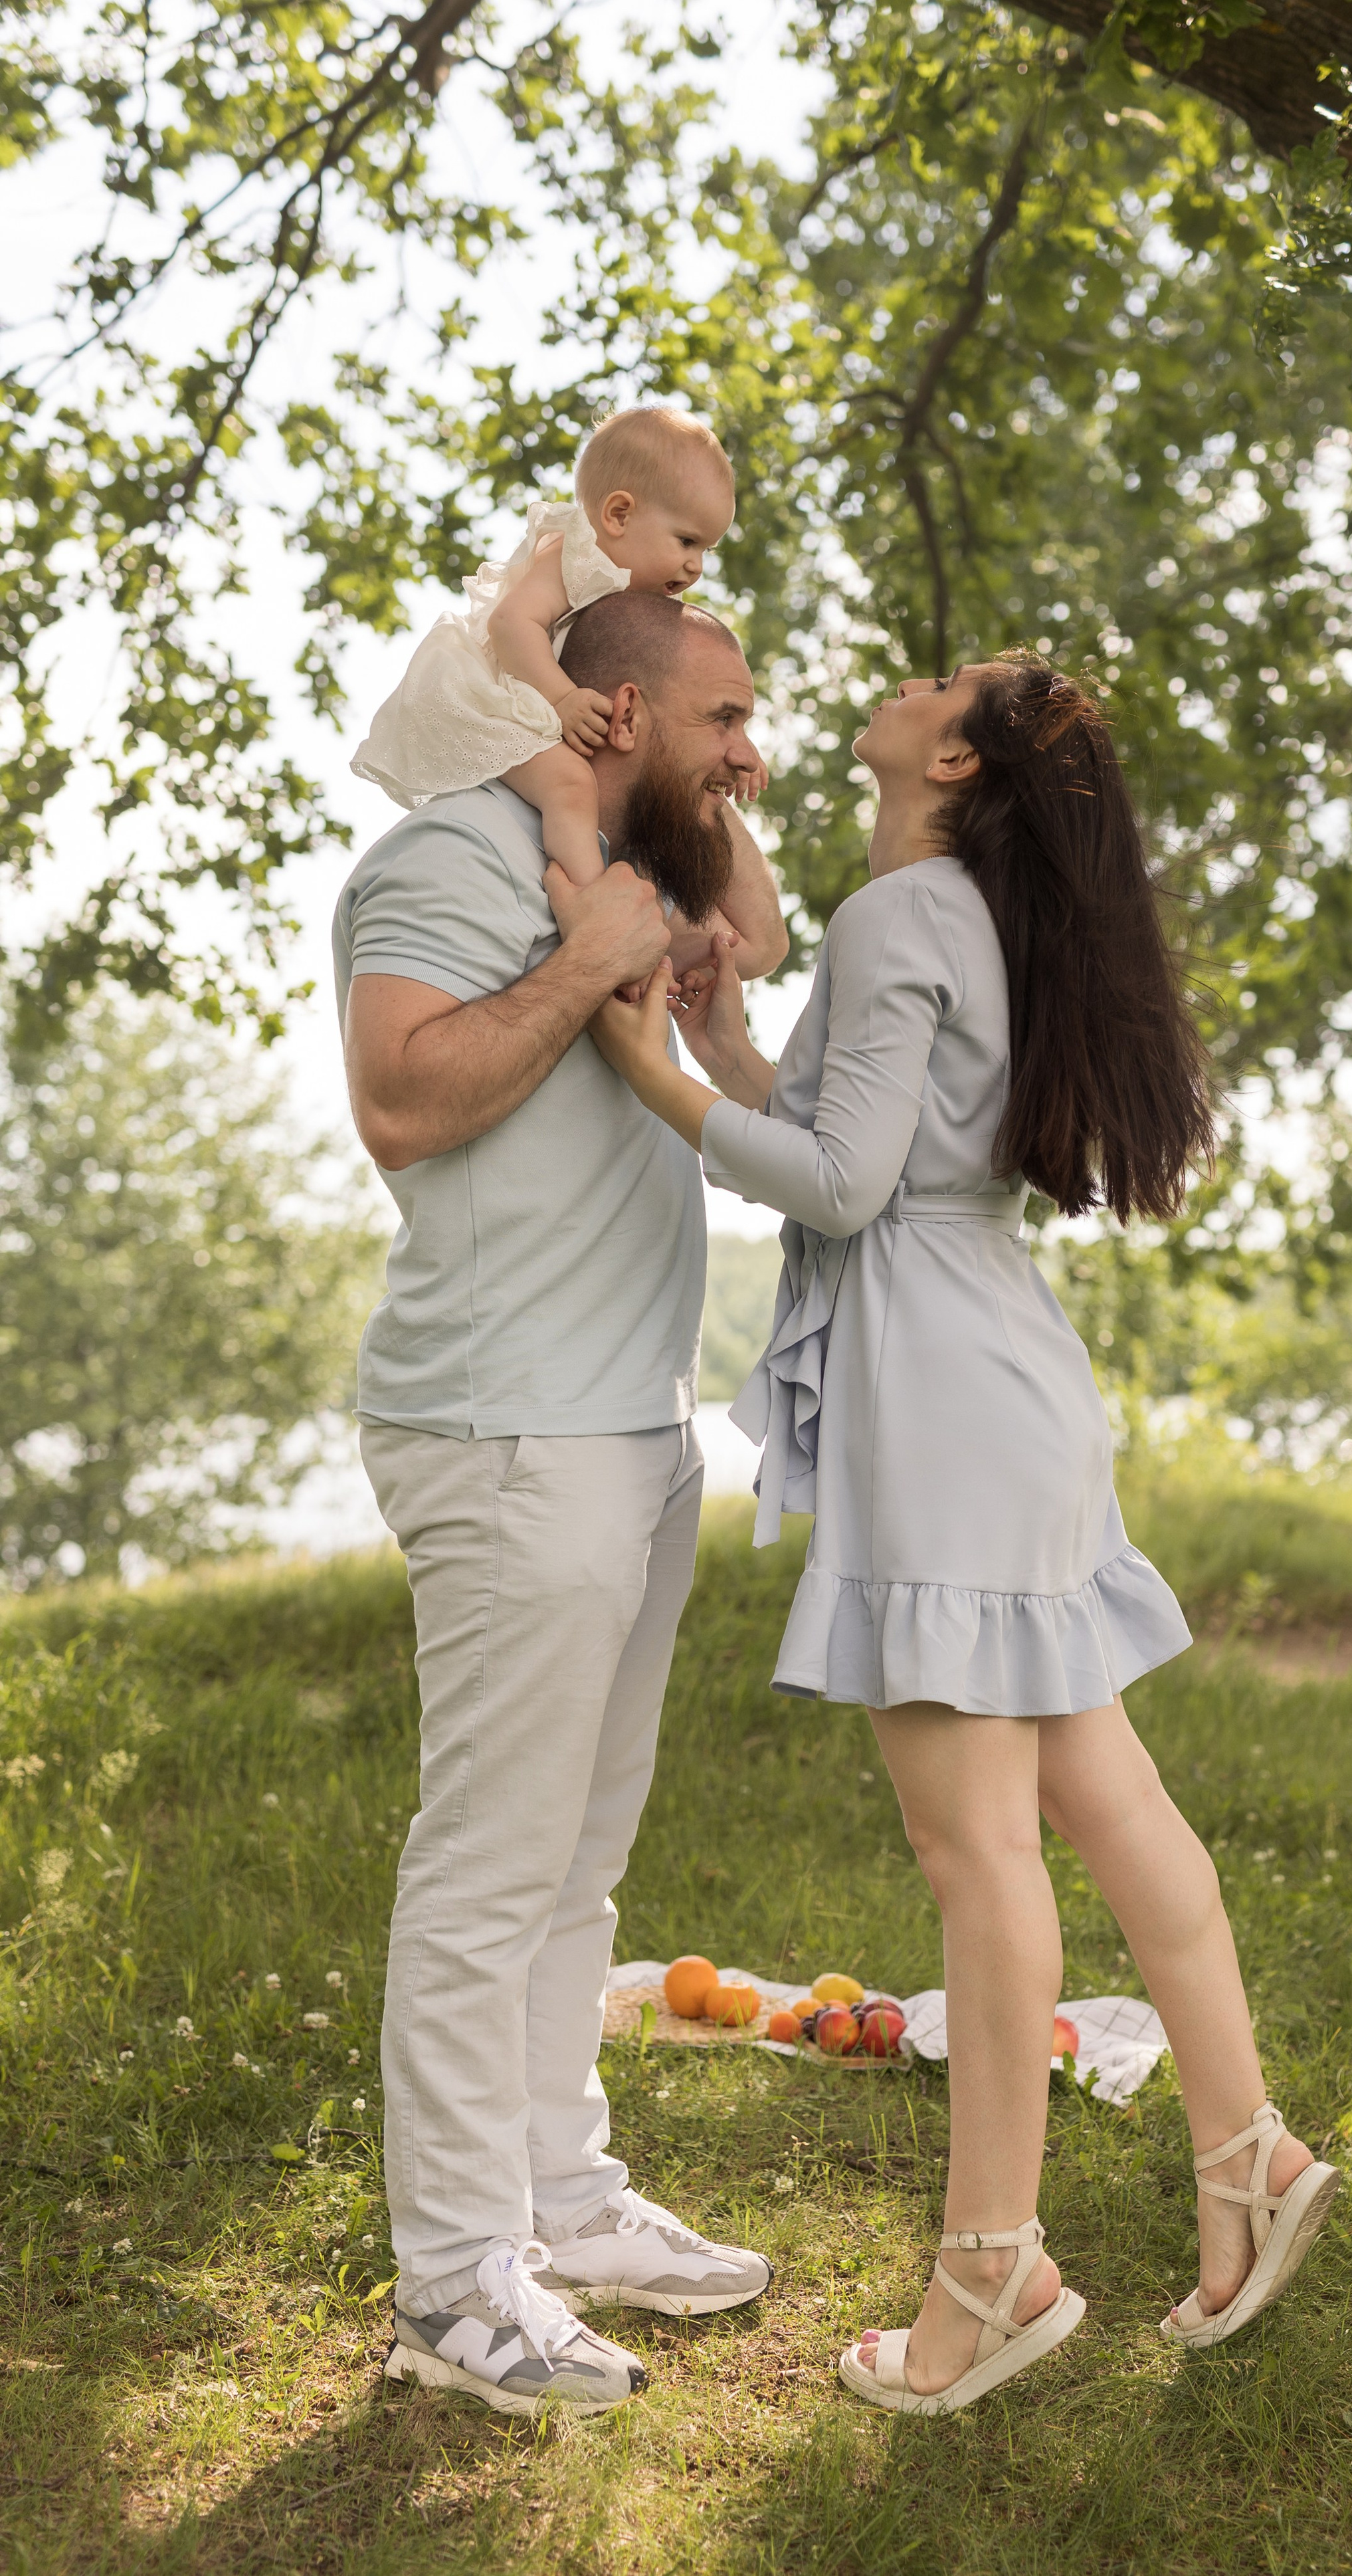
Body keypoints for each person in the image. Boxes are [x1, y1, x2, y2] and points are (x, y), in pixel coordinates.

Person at [588, 652, 1340, 2416]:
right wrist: (721, 1047)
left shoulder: (903, 901)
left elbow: (842, 1188)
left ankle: (991, 2267)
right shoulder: (974, 916)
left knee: (979, 1854)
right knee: (1104, 1795)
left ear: (958, 754)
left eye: (944, 678)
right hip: (1009, 1384)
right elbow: (885, 1147)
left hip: (940, 1408)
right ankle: (1247, 2148)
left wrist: (649, 1075)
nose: (907, 674)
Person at [336, 589, 787, 2422]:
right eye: (729, 714)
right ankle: (455, 2284)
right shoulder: (441, 856)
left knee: (578, 1866)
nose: (755, 747)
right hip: (510, 1436)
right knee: (489, 1869)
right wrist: (576, 949)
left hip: (629, 1429)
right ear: (612, 710)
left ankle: (561, 2202)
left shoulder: (642, 870)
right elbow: (400, 1096)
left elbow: (743, 904)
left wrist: (658, 884)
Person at [351, 405, 760, 976]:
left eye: (705, 551)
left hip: (530, 698)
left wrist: (724, 759)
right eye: (687, 541)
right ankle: (593, 909)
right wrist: (564, 698)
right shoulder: (570, 555)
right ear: (618, 514)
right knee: (569, 782)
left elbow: (763, 946)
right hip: (491, 698)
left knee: (574, 784)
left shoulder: (622, 584)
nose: (694, 567)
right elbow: (510, 625)